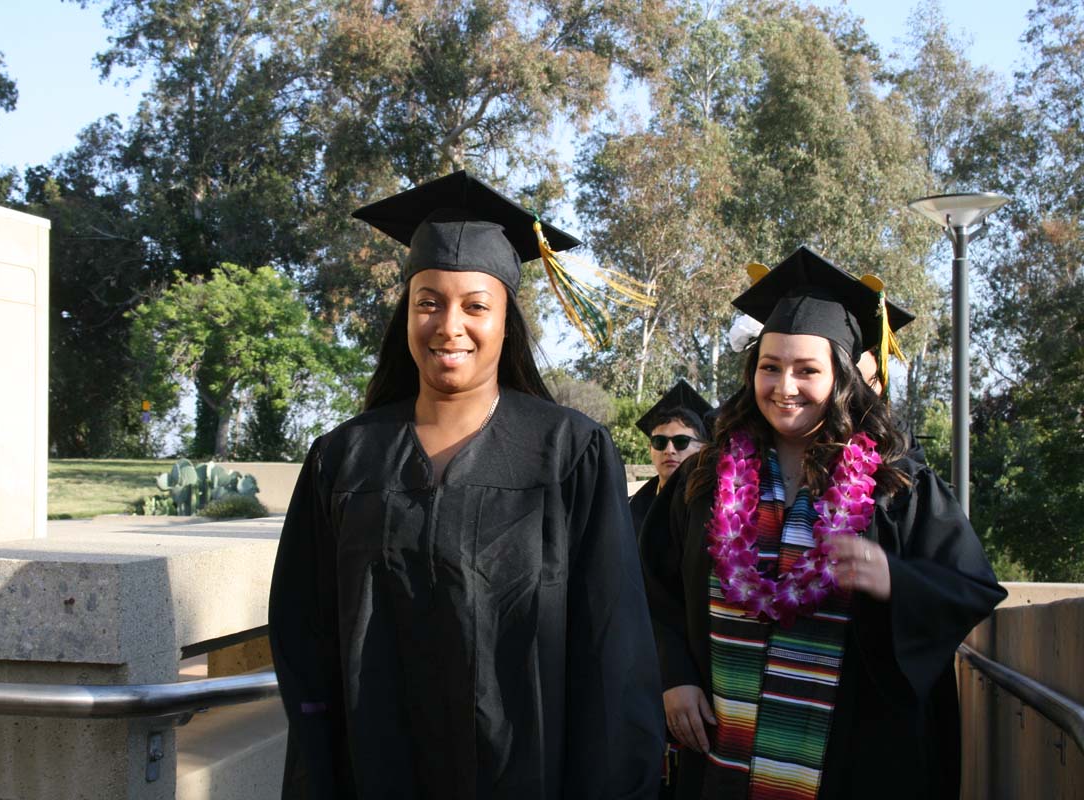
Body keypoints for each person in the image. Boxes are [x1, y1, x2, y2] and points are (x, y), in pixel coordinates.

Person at [268, 170, 665, 800]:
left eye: (476, 305)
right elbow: (304, 640)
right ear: (407, 313)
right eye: (428, 301)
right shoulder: (343, 461)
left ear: (506, 321)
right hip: (374, 774)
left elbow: (613, 649)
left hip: (531, 778)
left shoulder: (569, 453)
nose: (449, 324)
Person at [639, 245, 1005, 799]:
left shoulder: (894, 483)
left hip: (849, 752)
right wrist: (675, 675)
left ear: (840, 379)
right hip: (722, 743)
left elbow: (971, 586)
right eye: (770, 367)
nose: (785, 386)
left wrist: (893, 579)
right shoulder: (706, 481)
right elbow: (649, 585)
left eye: (807, 370)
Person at [629, 380, 713, 537]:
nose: (669, 450)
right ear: (650, 449)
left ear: (702, 448)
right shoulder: (629, 508)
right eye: (659, 442)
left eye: (681, 442)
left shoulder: (718, 508)